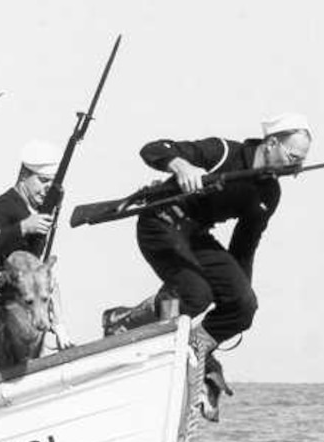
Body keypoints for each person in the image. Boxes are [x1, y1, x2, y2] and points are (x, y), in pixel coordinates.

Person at [131, 113, 313, 419]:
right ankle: (128, 320)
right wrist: (182, 166)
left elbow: (244, 248)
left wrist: (237, 301)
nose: (296, 168)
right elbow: (153, 148)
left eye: (302, 162)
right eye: (293, 157)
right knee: (196, 294)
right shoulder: (223, 152)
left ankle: (197, 350)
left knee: (244, 305)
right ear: (270, 144)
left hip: (196, 237)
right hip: (161, 223)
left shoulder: (269, 193)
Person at [0, 140, 73, 367]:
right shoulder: (0, 207)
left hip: (25, 313)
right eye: (42, 181)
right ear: (24, 174)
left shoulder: (40, 211)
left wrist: (58, 324)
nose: (46, 189)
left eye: (52, 184)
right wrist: (23, 228)